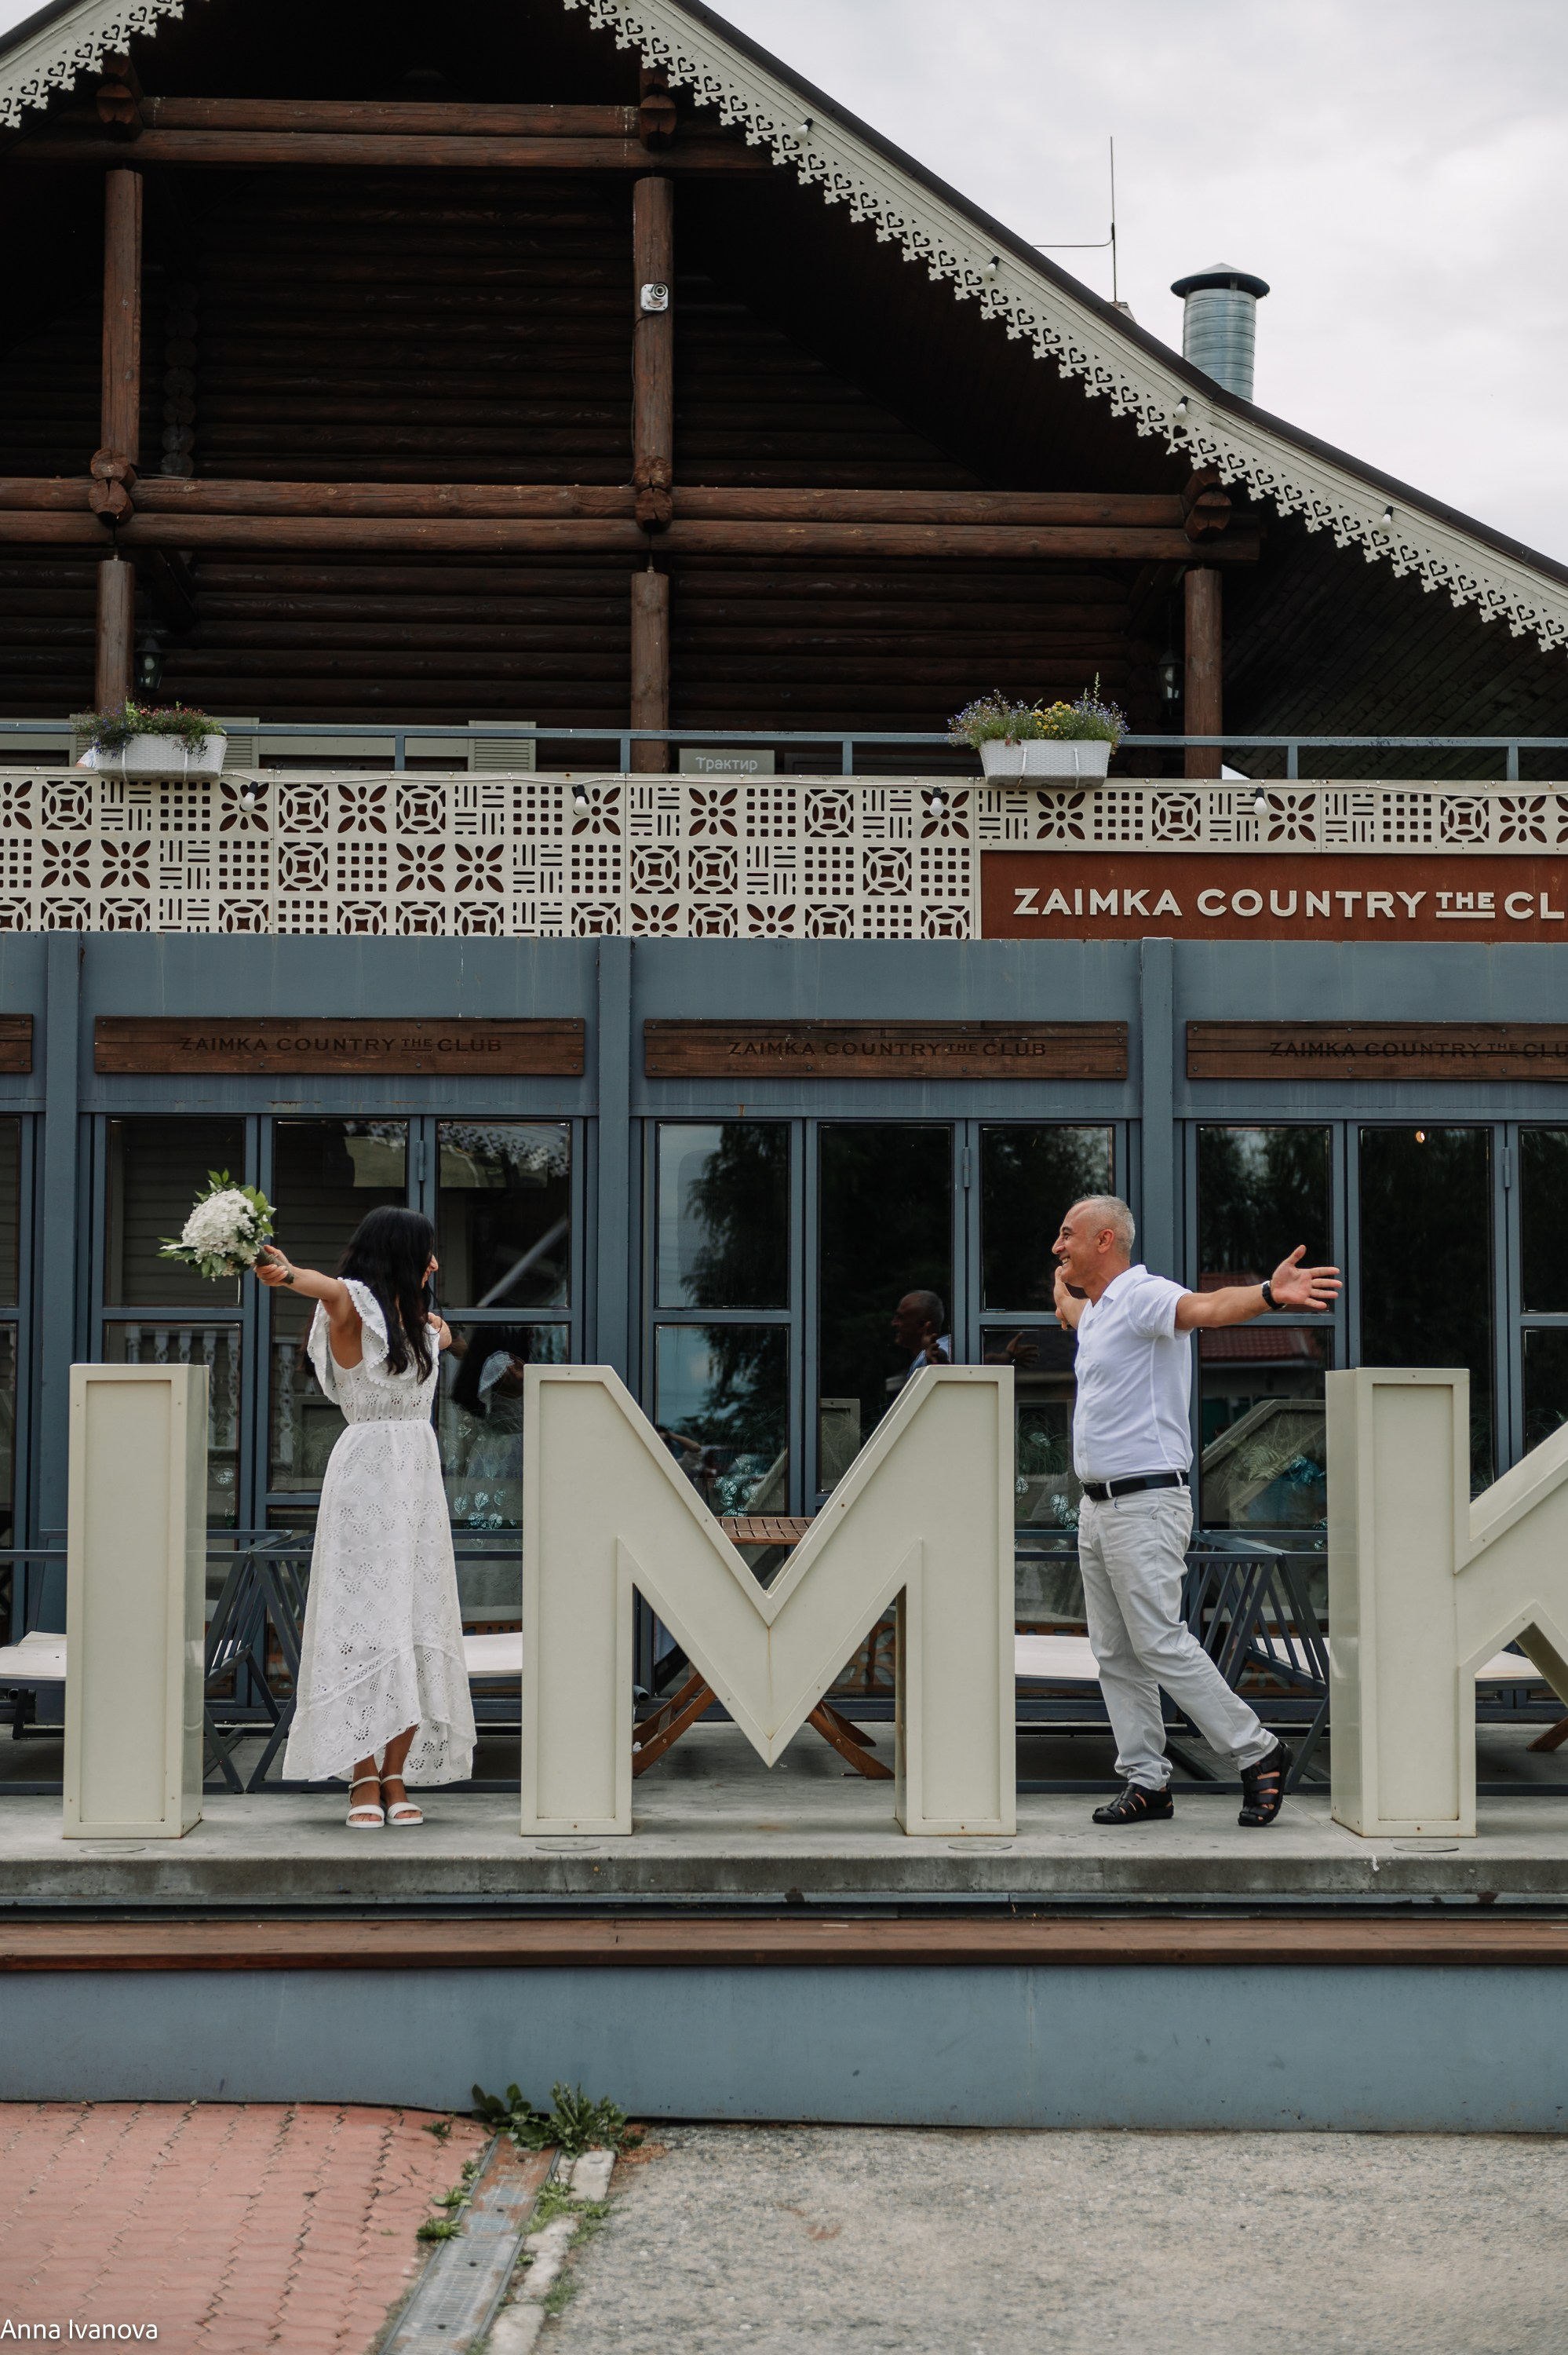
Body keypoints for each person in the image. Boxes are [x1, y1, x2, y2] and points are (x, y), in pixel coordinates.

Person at [1052, 1193, 1340, 1828]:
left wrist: (1268, 1292)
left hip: (1146, 1501)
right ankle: (1147, 1781)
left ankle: (1258, 1750)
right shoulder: (1099, 1311)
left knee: (1158, 1640)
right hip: (1099, 1510)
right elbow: (1068, 1311)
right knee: (1114, 1652)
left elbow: (1206, 1309)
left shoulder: (1145, 1295)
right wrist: (1063, 1284)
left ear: (1106, 1241)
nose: (1057, 1245)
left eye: (1067, 1235)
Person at [257, 1208, 476, 1827]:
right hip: (365, 1478)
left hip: (417, 1484)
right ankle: (360, 1777)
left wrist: (437, 1326)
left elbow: (447, 1337)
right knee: (363, 1626)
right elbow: (321, 1286)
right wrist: (280, 1269)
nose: (435, 1263)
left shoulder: (418, 1328)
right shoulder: (351, 1307)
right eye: (427, 1252)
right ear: (400, 1254)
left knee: (412, 1619)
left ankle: (398, 1775)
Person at [890, 1290, 950, 1389]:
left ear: (922, 1325)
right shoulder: (922, 1358)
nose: (894, 1323)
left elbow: (947, 1359)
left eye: (900, 1317)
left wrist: (938, 1358)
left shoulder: (935, 1353)